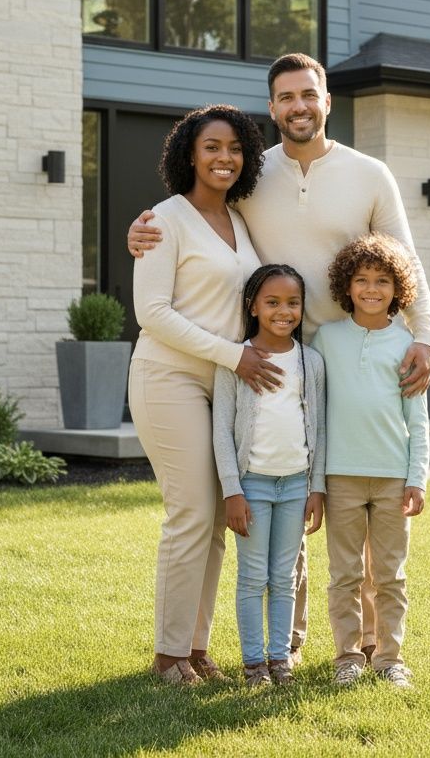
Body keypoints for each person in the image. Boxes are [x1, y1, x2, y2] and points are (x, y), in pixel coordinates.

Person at [129, 52, 430, 661]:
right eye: (285, 98)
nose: (298, 107)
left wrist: (424, 336)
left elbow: (407, 259)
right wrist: (140, 231)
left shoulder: (369, 174)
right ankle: (284, 645)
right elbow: (190, 219)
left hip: (354, 363)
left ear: (327, 101)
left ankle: (378, 649)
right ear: (272, 109)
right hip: (271, 363)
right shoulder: (251, 177)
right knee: (281, 499)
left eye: (308, 95)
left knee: (361, 506)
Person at [128, 104, 284, 686]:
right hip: (169, 377)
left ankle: (195, 648)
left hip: (224, 382)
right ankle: (168, 655)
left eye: (235, 149)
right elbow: (153, 313)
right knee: (191, 512)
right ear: (188, 154)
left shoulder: (241, 221)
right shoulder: (163, 220)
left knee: (220, 516)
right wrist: (237, 356)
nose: (224, 158)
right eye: (212, 147)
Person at [311, 233, 429, 689]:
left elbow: (417, 422)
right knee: (344, 573)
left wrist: (416, 478)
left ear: (397, 289)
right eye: (362, 279)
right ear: (347, 285)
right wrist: (316, 482)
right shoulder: (327, 339)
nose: (372, 289)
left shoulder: (408, 345)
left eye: (382, 280)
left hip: (392, 481)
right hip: (340, 477)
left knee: (389, 575)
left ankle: (388, 658)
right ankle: (347, 657)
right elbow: (316, 418)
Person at [212, 264, 326, 686]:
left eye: (293, 303)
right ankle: (253, 663)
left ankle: (280, 659)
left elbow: (321, 428)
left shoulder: (309, 362)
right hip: (253, 485)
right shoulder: (234, 361)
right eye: (273, 302)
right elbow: (221, 431)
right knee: (252, 575)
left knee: (284, 576)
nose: (284, 311)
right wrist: (232, 492)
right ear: (253, 306)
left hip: (296, 485)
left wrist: (317, 488)